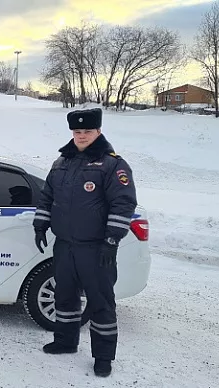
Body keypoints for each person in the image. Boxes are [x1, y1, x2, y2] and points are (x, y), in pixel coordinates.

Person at [33, 107, 137, 377]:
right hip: (65, 244)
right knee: (64, 295)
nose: (81, 136)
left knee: (101, 301)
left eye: (87, 131)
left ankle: (103, 357)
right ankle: (66, 341)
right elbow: (47, 196)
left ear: (98, 132)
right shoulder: (61, 162)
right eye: (77, 131)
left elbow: (123, 203)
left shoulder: (112, 164)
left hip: (96, 248)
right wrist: (41, 224)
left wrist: (112, 239)